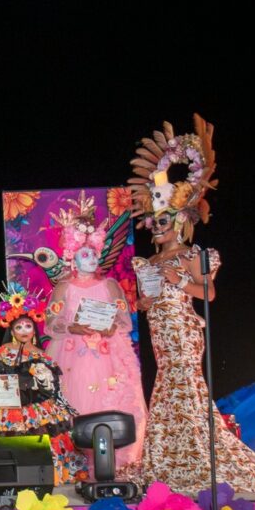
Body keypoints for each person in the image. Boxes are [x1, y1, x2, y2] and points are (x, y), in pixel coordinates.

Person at [120, 115, 255, 492]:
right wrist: (148, 298)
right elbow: (143, 305)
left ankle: (199, 456)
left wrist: (180, 279)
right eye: (155, 222)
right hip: (161, 335)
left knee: (186, 385)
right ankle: (170, 457)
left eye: (165, 220)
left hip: (185, 333)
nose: (158, 227)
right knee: (166, 387)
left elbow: (209, 294)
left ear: (182, 220)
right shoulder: (147, 263)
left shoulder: (193, 254)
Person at [44, 191, 147, 469]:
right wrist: (73, 326)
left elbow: (124, 318)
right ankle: (76, 462)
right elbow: (52, 322)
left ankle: (112, 461)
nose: (90, 258)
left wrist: (110, 326)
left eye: (93, 254)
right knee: (77, 399)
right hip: (73, 353)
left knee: (109, 399)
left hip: (107, 352)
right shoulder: (63, 288)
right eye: (84, 254)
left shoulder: (110, 285)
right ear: (73, 258)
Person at [0, 289, 88, 485]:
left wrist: (41, 380)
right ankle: (7, 476)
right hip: (8, 406)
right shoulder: (2, 352)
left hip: (37, 408)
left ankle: (46, 475)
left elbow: (51, 387)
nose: (24, 331)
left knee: (44, 439)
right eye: (19, 327)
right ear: (11, 330)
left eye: (28, 326)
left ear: (34, 330)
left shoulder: (41, 354)